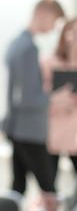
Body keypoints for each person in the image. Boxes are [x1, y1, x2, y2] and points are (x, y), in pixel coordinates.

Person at [1, 0, 65, 199]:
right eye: (54, 21)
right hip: (29, 131)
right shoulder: (29, 48)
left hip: (16, 127)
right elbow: (27, 97)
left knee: (17, 189)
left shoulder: (16, 42)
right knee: (49, 189)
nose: (54, 28)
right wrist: (55, 97)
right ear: (43, 14)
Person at [40, 18, 77, 179]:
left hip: (74, 132)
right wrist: (57, 99)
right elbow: (38, 96)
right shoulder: (49, 62)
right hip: (53, 130)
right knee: (49, 180)